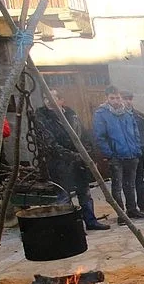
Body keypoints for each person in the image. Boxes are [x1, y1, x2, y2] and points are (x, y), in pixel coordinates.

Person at [36, 89, 110, 231]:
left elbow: (84, 136)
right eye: (45, 98)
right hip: (60, 164)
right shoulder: (42, 118)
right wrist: (73, 155)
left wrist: (88, 154)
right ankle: (68, 227)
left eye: (52, 98)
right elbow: (50, 143)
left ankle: (90, 221)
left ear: (61, 100)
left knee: (85, 193)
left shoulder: (71, 115)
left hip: (79, 163)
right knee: (64, 196)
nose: (48, 101)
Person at [94, 86, 144, 223]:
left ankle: (132, 209)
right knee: (117, 186)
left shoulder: (127, 113)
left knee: (130, 185)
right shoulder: (101, 114)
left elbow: (135, 132)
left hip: (131, 154)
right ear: (107, 98)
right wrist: (109, 154)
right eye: (112, 98)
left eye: (118, 98)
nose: (116, 101)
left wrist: (137, 149)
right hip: (116, 156)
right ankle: (121, 214)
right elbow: (100, 137)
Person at [122, 91, 144, 214]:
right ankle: (130, 207)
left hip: (139, 152)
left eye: (130, 99)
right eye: (125, 99)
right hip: (125, 154)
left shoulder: (139, 115)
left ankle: (142, 203)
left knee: (139, 180)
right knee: (128, 182)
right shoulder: (119, 116)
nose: (128, 101)